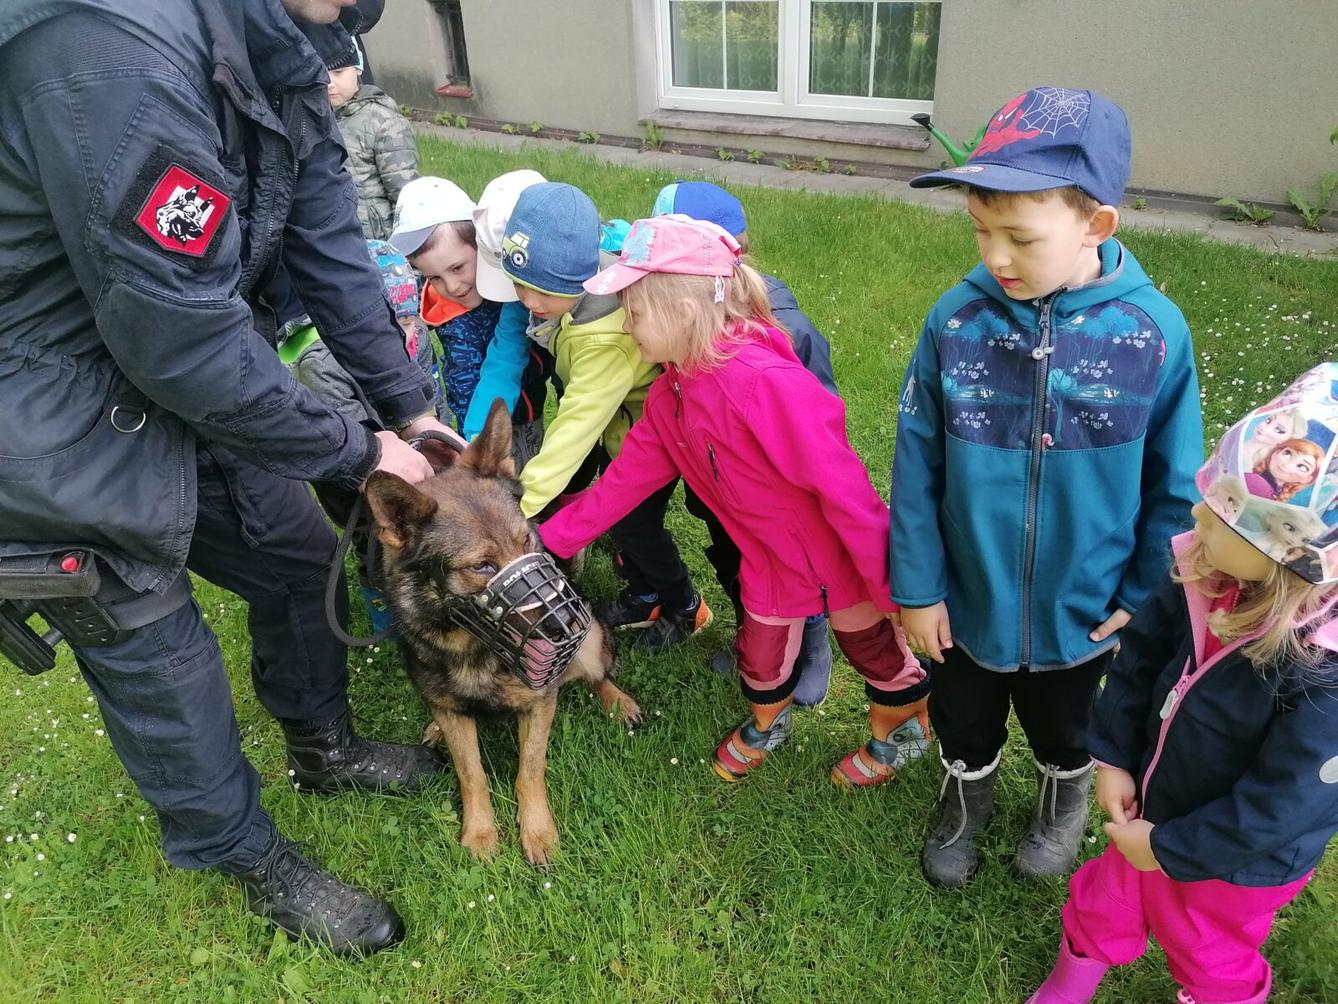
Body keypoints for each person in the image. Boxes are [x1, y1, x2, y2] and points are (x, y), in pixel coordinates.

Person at [0, 0, 467, 956]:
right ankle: (246, 854)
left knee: (299, 565)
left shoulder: (284, 40)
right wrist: (355, 450)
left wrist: (407, 407)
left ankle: (323, 750)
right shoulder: (105, 48)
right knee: (157, 648)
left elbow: (328, 244)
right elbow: (173, 331)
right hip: (49, 410)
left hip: (188, 374)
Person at [892, 87, 1203, 886]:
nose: (995, 256)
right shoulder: (956, 322)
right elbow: (917, 460)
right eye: (981, 230)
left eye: (1020, 238)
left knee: (1071, 727)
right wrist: (919, 587)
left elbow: (1177, 483)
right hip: (969, 598)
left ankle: (1062, 798)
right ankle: (968, 792)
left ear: (1096, 225)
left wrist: (1145, 590)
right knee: (964, 717)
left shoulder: (1153, 332)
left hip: (1087, 606)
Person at [538, 215, 930, 786]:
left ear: (684, 310)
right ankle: (769, 722)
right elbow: (622, 484)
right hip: (768, 563)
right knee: (761, 658)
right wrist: (546, 541)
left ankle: (901, 731)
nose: (628, 326)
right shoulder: (671, 395)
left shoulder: (767, 382)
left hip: (840, 557)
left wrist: (891, 583)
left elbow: (846, 491)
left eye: (636, 311)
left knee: (876, 652)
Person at [1028, 367, 1338, 1004]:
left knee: (1207, 948)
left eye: (1225, 514)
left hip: (1235, 861)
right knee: (1102, 900)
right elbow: (1139, 659)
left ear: (1292, 559)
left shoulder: (1323, 673)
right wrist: (1113, 757)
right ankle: (1072, 979)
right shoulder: (1205, 572)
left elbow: (1285, 804)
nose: (1197, 513)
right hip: (1150, 804)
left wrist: (1171, 849)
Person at [502, 184, 712, 651]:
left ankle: (685, 604)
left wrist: (518, 503)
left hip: (649, 445)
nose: (529, 302)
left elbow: (577, 425)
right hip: (622, 432)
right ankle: (645, 594)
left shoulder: (604, 340)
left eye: (544, 292)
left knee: (636, 525)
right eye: (520, 287)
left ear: (579, 281)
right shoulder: (578, 298)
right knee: (625, 526)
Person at [650, 180, 837, 703]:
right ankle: (757, 635)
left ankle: (814, 643)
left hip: (779, 497)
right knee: (738, 562)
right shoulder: (680, 318)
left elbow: (820, 418)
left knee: (799, 566)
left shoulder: (786, 327)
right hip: (716, 487)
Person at [390, 175, 550, 468]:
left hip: (525, 411)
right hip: (478, 427)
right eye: (434, 277)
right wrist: (472, 435)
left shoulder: (513, 291)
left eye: (458, 267)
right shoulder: (448, 318)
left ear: (483, 246)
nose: (451, 286)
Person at [325, 36, 418, 240]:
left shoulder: (384, 121)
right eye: (322, 73)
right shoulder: (314, 121)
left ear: (357, 70)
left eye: (338, 72)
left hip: (378, 241)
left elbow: (405, 194)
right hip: (335, 237)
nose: (330, 82)